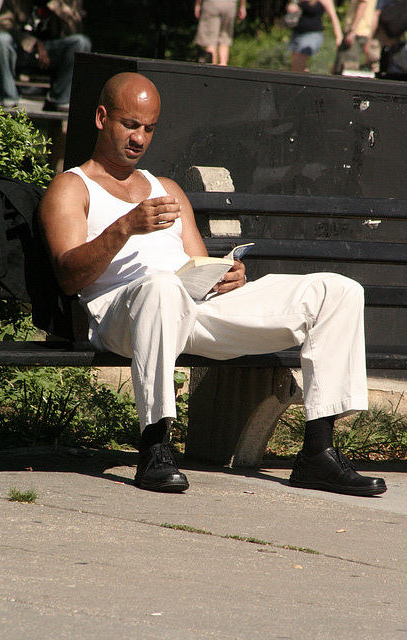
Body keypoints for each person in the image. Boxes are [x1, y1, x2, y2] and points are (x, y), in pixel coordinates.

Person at [38, 71, 387, 497]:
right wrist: (124, 227)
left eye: (149, 128)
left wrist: (227, 275)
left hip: (191, 308)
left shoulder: (164, 188)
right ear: (100, 117)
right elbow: (69, 276)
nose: (140, 138)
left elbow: (197, 264)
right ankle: (154, 448)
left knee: (337, 291)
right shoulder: (73, 187)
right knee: (162, 286)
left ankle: (318, 452)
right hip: (121, 315)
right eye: (130, 125)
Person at [0, 0, 91, 110]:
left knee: (81, 42)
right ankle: (9, 100)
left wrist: (58, 6)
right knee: (2, 40)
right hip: (21, 50)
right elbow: (2, 24)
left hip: (53, 51)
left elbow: (76, 29)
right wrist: (34, 43)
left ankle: (60, 100)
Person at [287, 0, 343, 73]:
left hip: (312, 35)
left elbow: (333, 17)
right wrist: (290, 7)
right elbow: (291, 4)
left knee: (299, 62)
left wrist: (339, 37)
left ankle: (298, 81)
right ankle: (303, 80)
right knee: (296, 65)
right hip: (297, 33)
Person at [332, 0, 379, 75]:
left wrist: (352, 31)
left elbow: (362, 6)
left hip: (356, 32)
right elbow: (375, 14)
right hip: (363, 32)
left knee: (345, 68)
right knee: (348, 68)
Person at [193, 0, 247, 65]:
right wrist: (242, 6)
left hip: (212, 4)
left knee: (210, 41)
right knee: (225, 39)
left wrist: (197, 4)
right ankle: (223, 67)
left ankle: (212, 69)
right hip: (230, 4)